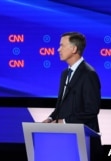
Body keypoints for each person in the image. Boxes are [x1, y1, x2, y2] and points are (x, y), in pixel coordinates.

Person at [42, 32, 103, 161]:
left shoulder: (88, 74)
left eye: (62, 46)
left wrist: (64, 122)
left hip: (82, 141)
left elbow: (91, 109)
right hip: (65, 140)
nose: (58, 49)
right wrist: (51, 118)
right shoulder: (65, 73)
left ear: (74, 49)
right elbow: (61, 105)